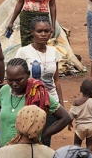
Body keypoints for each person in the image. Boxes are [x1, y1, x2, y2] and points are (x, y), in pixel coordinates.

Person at [0, 58, 71, 147]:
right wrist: (0, 131)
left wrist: (44, 135)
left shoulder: (38, 94)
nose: (14, 84)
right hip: (3, 150)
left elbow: (65, 118)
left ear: (28, 74)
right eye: (10, 80)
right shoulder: (4, 91)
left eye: (19, 80)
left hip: (27, 151)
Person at [15, 17, 63, 146]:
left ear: (51, 32)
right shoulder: (23, 52)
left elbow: (56, 80)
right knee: (27, 138)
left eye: (46, 31)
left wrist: (61, 103)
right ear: (32, 32)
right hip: (30, 102)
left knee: (45, 140)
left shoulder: (54, 52)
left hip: (50, 102)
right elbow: (17, 78)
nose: (43, 34)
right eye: (39, 31)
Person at [68, 79, 92, 152]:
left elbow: (71, 114)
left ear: (81, 89)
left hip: (80, 127)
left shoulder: (76, 102)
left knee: (77, 144)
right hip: (91, 127)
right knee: (89, 145)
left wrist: (69, 123)